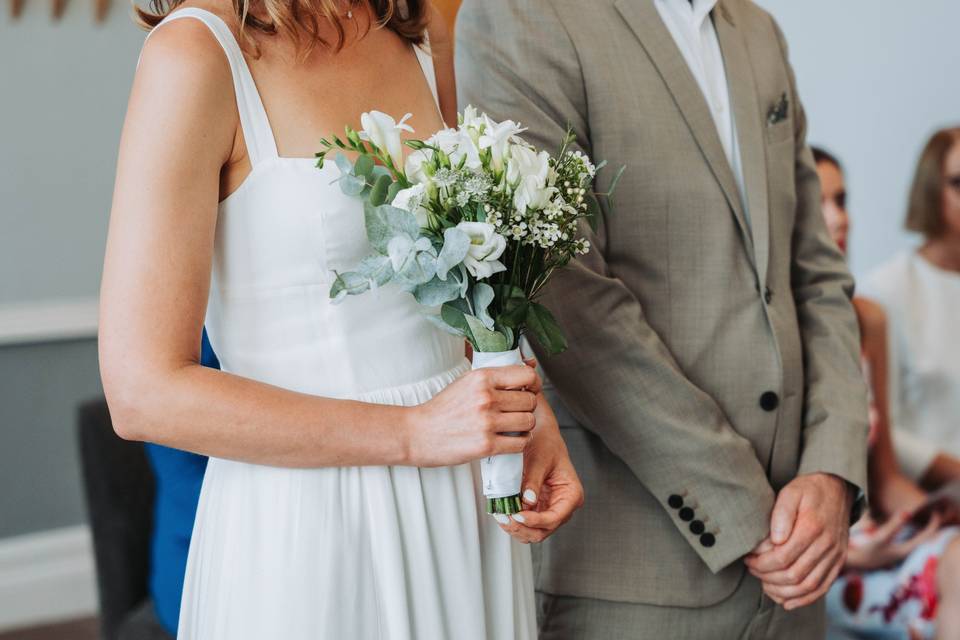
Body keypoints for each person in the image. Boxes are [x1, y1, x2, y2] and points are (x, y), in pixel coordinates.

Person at [98, 1, 583, 637]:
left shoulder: (414, 29)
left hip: (461, 499)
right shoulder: (196, 53)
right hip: (312, 521)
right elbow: (143, 394)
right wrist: (412, 434)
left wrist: (526, 409)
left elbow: (454, 279)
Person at [456, 1, 869, 638]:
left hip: (800, 566)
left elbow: (815, 269)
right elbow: (565, 294)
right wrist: (741, 506)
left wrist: (833, 468)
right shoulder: (521, 14)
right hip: (638, 573)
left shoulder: (755, 27)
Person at [813, 147, 960, 640]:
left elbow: (887, 477)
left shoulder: (867, 319)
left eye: (843, 199)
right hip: (826, 554)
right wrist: (852, 550)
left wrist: (930, 518)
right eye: (820, 202)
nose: (841, 217)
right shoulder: (771, 333)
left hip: (883, 535)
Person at [862, 128, 960, 464]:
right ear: (931, 190)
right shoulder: (887, 289)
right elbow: (880, 427)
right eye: (959, 183)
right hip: (926, 499)